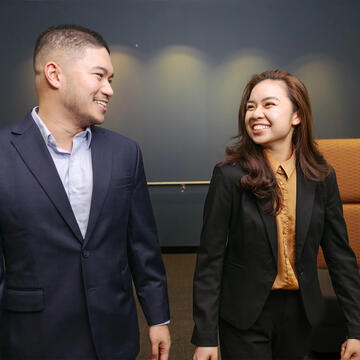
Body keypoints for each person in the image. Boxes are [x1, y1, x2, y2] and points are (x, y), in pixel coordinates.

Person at [0, 24, 170, 360]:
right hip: (31, 340)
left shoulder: (125, 153)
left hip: (113, 335)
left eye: (111, 79)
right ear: (54, 74)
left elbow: (143, 247)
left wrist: (158, 317)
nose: (109, 89)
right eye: (99, 75)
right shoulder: (3, 152)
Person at [191, 70, 360, 360]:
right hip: (245, 314)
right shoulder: (229, 176)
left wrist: (356, 328)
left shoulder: (321, 177)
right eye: (250, 106)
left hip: (301, 313)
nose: (256, 113)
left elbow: (340, 256)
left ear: (297, 116)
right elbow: (210, 259)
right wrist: (205, 336)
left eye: (268, 105)